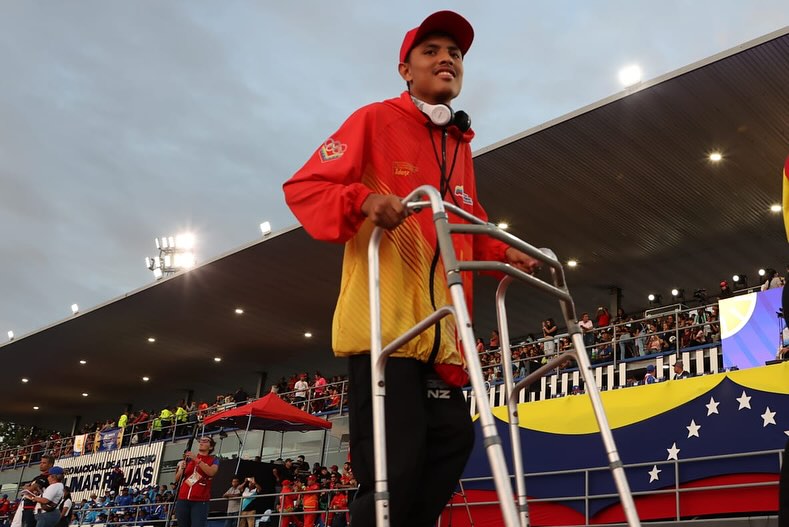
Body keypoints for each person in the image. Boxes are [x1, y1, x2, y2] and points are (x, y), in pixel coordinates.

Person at [283, 10, 539, 526]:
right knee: (391, 473)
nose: (447, 59)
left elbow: (464, 220)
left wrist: (501, 251)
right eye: (432, 51)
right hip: (386, 331)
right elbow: (305, 188)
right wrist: (363, 201)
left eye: (455, 53)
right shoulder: (374, 120)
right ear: (405, 69)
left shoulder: (459, 145)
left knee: (452, 440)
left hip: (441, 337)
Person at [173, 437, 219, 527]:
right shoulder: (189, 460)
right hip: (183, 498)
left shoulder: (213, 460)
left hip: (200, 500)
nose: (201, 442)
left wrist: (197, 460)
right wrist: (182, 468)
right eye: (201, 441)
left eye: (205, 441)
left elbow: (211, 472)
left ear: (211, 447)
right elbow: (177, 479)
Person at [21, 454, 54, 527]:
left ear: (50, 465)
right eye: (41, 462)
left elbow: (31, 488)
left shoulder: (47, 477)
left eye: (44, 463)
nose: (41, 465)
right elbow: (26, 488)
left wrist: (27, 488)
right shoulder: (38, 477)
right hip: (27, 506)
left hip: (34, 507)